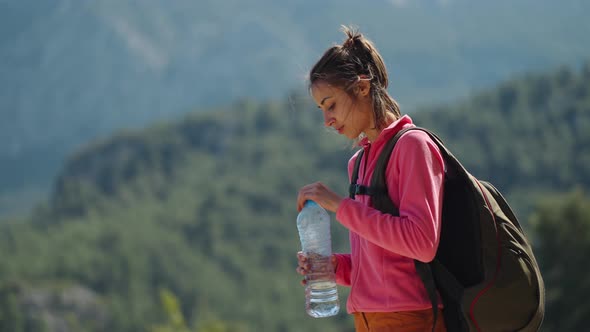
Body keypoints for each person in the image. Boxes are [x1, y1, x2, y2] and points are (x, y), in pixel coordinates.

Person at [296, 26, 447, 332]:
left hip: (411, 319)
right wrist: (336, 268)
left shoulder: (413, 146)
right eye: (321, 110)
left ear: (362, 88)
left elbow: (422, 244)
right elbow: (384, 263)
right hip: (368, 321)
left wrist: (340, 207)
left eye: (331, 105)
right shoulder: (360, 162)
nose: (327, 120)